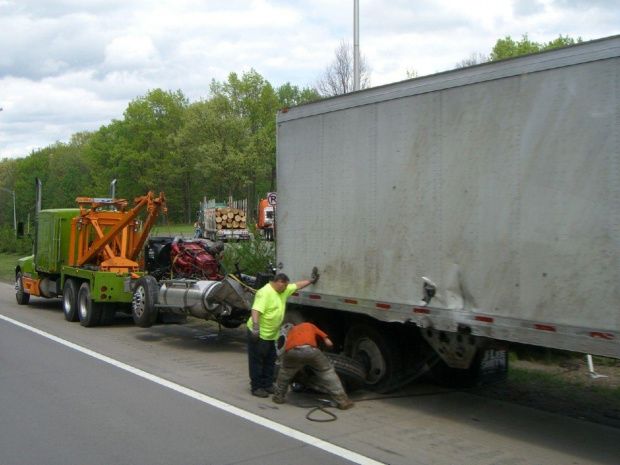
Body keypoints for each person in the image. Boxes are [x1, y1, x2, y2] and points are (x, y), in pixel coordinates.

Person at [247, 269, 318, 398]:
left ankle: (267, 384)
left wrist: (311, 280)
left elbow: (297, 285)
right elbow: (256, 310)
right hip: (259, 333)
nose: (285, 289)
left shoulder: (283, 291)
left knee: (270, 360)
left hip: (271, 334)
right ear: (279, 282)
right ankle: (256, 387)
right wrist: (256, 328)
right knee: (257, 361)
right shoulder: (265, 293)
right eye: (284, 286)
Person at [272, 322, 354, 410]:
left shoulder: (290, 332)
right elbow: (328, 342)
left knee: (285, 373)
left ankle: (278, 397)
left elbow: (285, 351)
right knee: (326, 371)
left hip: (293, 352)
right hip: (311, 351)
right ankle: (343, 401)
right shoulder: (310, 326)